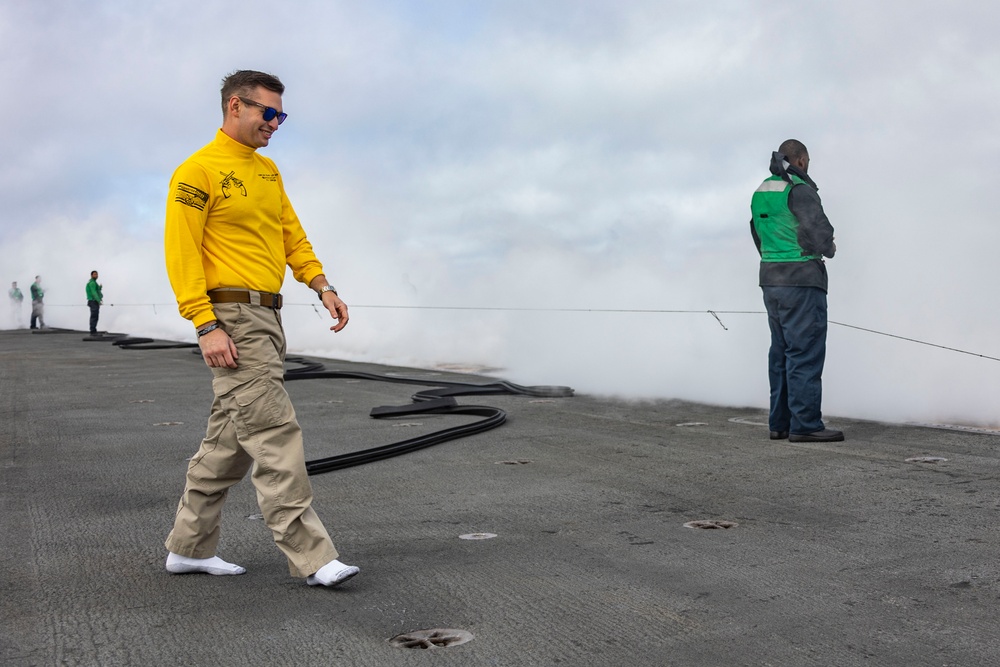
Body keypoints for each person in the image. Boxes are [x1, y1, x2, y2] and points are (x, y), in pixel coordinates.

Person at [162, 69, 359, 587]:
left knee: (227, 445)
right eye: (266, 113)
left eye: (281, 115)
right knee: (274, 433)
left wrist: (322, 285)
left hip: (267, 317)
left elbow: (292, 235)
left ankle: (188, 548)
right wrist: (205, 325)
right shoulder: (196, 172)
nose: (275, 123)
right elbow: (181, 255)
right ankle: (314, 558)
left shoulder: (268, 171)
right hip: (231, 317)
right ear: (235, 107)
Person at [750, 139, 843, 443]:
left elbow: (757, 232)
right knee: (804, 353)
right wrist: (828, 248)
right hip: (801, 280)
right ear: (801, 161)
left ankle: (781, 423)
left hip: (771, 279)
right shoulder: (799, 189)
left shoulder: (762, 191)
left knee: (780, 352)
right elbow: (820, 232)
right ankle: (805, 425)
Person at [86, 270, 103, 335]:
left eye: (97, 274)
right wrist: (99, 301)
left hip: (94, 301)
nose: (96, 275)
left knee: (95, 316)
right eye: (95, 274)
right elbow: (94, 292)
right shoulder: (92, 283)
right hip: (93, 301)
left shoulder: (94, 282)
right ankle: (93, 331)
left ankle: (93, 330)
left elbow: (97, 289)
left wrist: (100, 287)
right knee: (94, 316)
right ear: (92, 275)